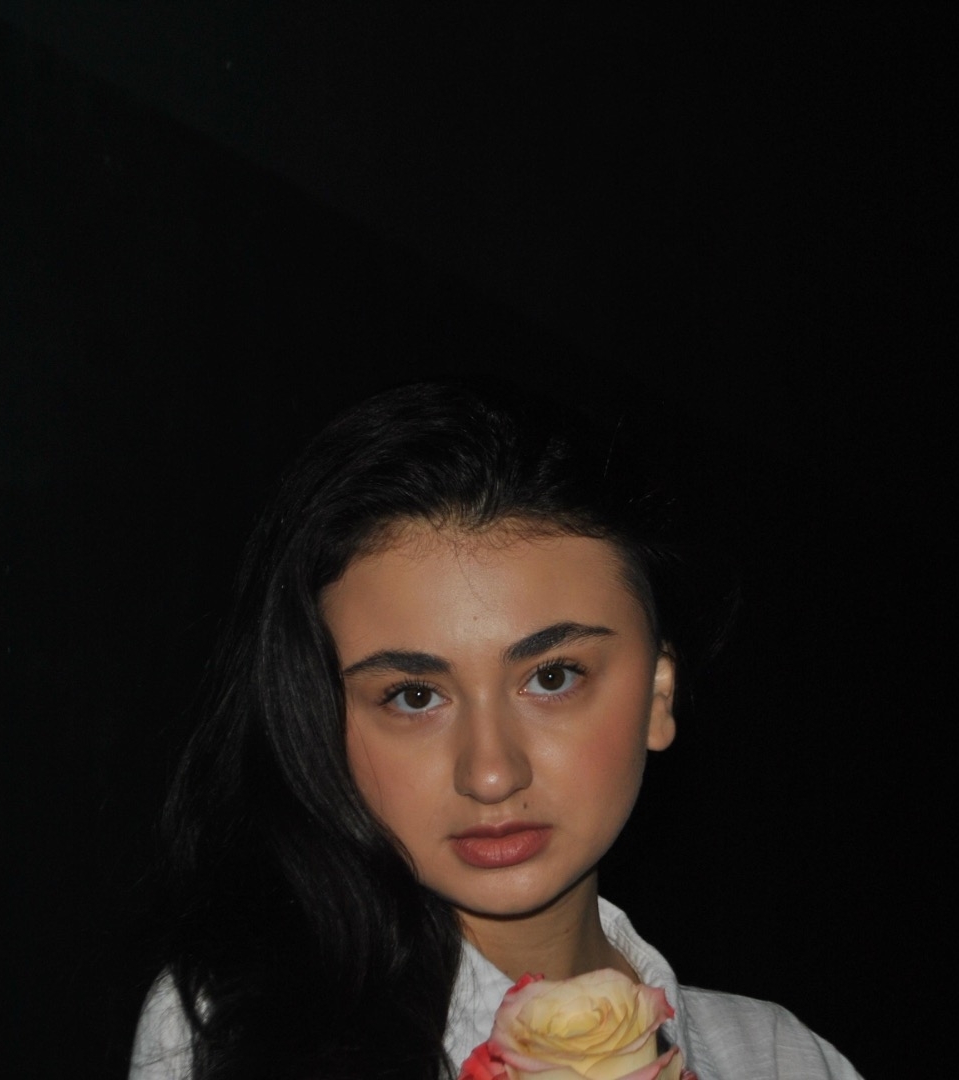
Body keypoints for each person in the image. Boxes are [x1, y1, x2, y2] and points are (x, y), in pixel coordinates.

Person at [128, 381, 862, 1079]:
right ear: (318, 718)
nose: (490, 773)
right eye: (415, 695)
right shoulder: (236, 1031)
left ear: (658, 696)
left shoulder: (780, 1059)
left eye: (553, 678)